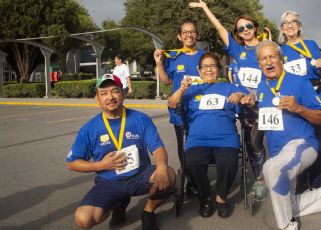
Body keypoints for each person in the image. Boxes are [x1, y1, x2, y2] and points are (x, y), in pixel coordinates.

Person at [241, 41, 321, 230]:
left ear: (280, 59)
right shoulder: (261, 86)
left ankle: (287, 225)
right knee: (285, 202)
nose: (268, 62)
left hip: (303, 144)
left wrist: (298, 108)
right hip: (279, 152)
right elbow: (268, 116)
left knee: (271, 169)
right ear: (259, 64)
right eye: (263, 58)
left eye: (272, 57)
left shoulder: (300, 82)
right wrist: (252, 105)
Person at [66, 74, 176, 230]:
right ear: (97, 99)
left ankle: (148, 211)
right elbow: (72, 163)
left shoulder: (140, 119)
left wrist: (162, 166)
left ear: (123, 93)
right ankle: (118, 203)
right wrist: (100, 165)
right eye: (104, 93)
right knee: (83, 219)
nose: (110, 97)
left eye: (115, 91)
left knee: (169, 175)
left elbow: (157, 148)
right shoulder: (89, 129)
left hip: (140, 176)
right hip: (108, 183)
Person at [190, 0, 268, 199]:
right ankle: (261, 182)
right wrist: (205, 8)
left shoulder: (268, 47)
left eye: (249, 26)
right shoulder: (237, 50)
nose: (246, 30)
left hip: (268, 103)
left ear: (255, 27)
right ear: (238, 33)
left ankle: (282, 177)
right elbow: (219, 28)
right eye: (241, 28)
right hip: (247, 106)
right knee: (254, 145)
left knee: (277, 142)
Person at [168, 52, 245, 218]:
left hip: (226, 139)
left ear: (218, 69)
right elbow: (172, 104)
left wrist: (241, 96)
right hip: (198, 139)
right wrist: (182, 88)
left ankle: (221, 197)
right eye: (205, 66)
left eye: (213, 66)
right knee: (192, 160)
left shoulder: (229, 88)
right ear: (199, 70)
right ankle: (205, 198)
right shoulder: (191, 91)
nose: (209, 69)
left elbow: (247, 101)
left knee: (228, 161)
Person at [153, 20, 205, 195]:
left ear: (196, 35)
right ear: (179, 36)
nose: (189, 34)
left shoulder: (204, 56)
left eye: (192, 31)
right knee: (183, 145)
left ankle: (200, 178)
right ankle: (189, 179)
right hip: (179, 109)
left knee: (199, 145)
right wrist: (159, 63)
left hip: (201, 109)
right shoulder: (172, 56)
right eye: (185, 32)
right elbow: (167, 81)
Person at [278, 10, 321, 191]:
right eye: (285, 23)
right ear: (282, 29)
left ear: (299, 26)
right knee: (295, 141)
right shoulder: (280, 50)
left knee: (314, 141)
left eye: (293, 22)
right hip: (292, 100)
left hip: (313, 97)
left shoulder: (311, 45)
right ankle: (299, 182)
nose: (290, 25)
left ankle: (315, 182)